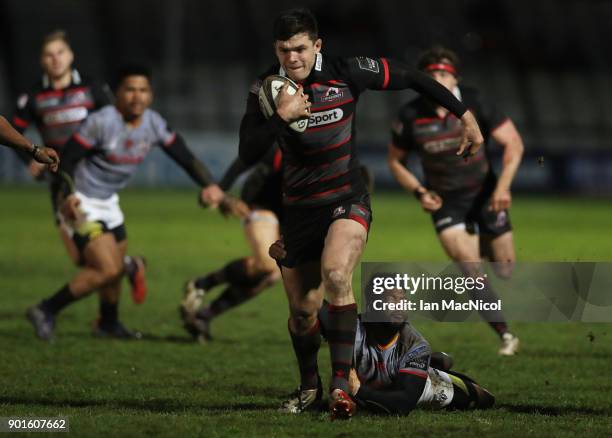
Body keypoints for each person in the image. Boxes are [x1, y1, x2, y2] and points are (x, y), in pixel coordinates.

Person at [238, 8, 484, 419]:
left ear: (317, 45)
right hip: (299, 212)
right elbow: (247, 152)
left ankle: (340, 386)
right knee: (302, 314)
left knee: (338, 273)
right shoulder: (266, 89)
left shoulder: (347, 73)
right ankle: (309, 386)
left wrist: (465, 116)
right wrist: (281, 118)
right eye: (284, 51)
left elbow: (411, 76)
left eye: (300, 49)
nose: (292, 59)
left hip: (346, 198)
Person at [26, 64, 225, 341]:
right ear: (117, 93)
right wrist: (68, 196)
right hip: (81, 200)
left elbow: (184, 155)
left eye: (143, 90)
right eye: (130, 89)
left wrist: (210, 185)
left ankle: (108, 323)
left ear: (151, 94)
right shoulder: (102, 121)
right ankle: (45, 309)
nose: (136, 96)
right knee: (107, 268)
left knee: (112, 268)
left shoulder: (153, 123)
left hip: (109, 203)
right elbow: (67, 159)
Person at [387, 46, 524, 355]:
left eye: (443, 74)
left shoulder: (475, 103)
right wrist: (420, 192)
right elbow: (395, 161)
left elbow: (513, 143)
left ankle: (484, 239)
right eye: (431, 75)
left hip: (486, 195)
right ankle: (505, 335)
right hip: (446, 201)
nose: (437, 79)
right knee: (469, 268)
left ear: (455, 78)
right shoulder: (410, 116)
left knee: (504, 268)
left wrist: (503, 188)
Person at [12, 31, 148, 313]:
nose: (55, 59)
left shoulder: (92, 88)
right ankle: (127, 268)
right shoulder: (33, 97)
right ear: (42, 61)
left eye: (60, 52)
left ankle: (98, 317)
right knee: (82, 258)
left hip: (90, 180)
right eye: (49, 54)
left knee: (96, 260)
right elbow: (14, 132)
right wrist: (31, 155)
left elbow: (115, 121)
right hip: (61, 180)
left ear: (70, 56)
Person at [180, 146, 284, 342]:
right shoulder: (290, 142)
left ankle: (204, 316)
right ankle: (203, 284)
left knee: (272, 276)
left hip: (293, 214)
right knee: (266, 263)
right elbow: (248, 157)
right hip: (261, 204)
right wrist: (222, 192)